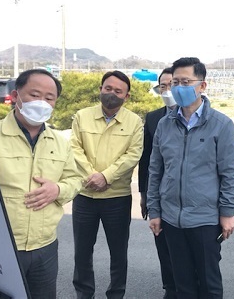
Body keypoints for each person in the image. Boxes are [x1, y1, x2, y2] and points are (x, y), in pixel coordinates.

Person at [0, 69, 82, 298]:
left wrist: (57, 189)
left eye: (49, 98)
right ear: (16, 96)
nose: (42, 102)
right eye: (34, 95)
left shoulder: (60, 142)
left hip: (44, 246)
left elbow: (75, 180)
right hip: (0, 245)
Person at [147, 57, 234, 299]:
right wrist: (154, 211)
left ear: (202, 86)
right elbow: (155, 170)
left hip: (205, 219)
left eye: (186, 81)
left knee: (209, 284)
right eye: (175, 82)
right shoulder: (164, 124)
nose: (179, 87)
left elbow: (230, 173)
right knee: (183, 284)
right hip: (171, 218)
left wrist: (227, 212)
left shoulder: (221, 125)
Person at [70, 70, 143, 299]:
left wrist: (106, 176)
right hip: (84, 195)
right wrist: (92, 176)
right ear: (101, 89)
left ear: (127, 96)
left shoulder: (134, 121)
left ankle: (116, 293)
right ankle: (84, 292)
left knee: (118, 252)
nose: (112, 93)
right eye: (108, 88)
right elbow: (73, 149)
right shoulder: (82, 116)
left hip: (117, 197)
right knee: (82, 252)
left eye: (118, 91)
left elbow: (133, 154)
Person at [138, 67, 177, 299]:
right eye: (163, 85)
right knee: (162, 243)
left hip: (187, 197)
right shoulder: (153, 118)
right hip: (158, 194)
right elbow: (146, 161)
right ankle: (170, 288)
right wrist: (144, 195)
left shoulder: (199, 117)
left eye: (172, 84)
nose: (167, 90)